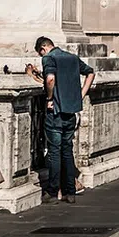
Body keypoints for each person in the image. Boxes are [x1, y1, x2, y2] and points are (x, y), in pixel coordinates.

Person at [35, 36, 95, 204]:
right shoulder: (72, 57)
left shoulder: (49, 58)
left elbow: (50, 79)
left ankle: (53, 192)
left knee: (54, 152)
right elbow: (90, 72)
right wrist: (81, 94)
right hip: (71, 112)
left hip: (56, 113)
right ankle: (70, 192)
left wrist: (49, 98)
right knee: (67, 151)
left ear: (43, 48)